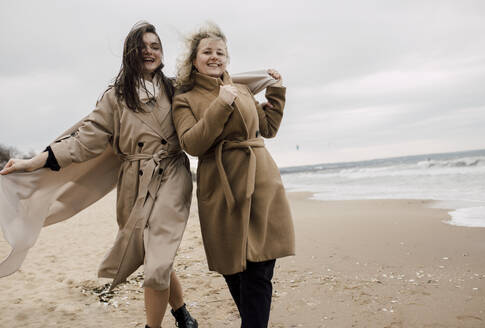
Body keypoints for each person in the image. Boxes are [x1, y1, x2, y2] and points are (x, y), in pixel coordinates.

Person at [0, 22, 197, 328]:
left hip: (172, 175)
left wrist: (257, 86)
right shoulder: (115, 97)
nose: (149, 52)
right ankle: (183, 315)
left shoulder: (177, 88)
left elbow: (213, 94)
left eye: (155, 46)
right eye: (142, 47)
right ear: (130, 54)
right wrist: (32, 163)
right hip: (133, 181)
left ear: (162, 53)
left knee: (157, 261)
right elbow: (84, 140)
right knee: (154, 255)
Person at [172, 23, 295, 328]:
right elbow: (192, 143)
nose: (215, 57)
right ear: (194, 59)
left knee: (261, 265)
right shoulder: (184, 98)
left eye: (220, 52)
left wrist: (276, 93)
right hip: (221, 186)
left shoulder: (241, 89)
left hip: (261, 180)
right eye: (207, 52)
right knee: (234, 269)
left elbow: (268, 129)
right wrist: (221, 104)